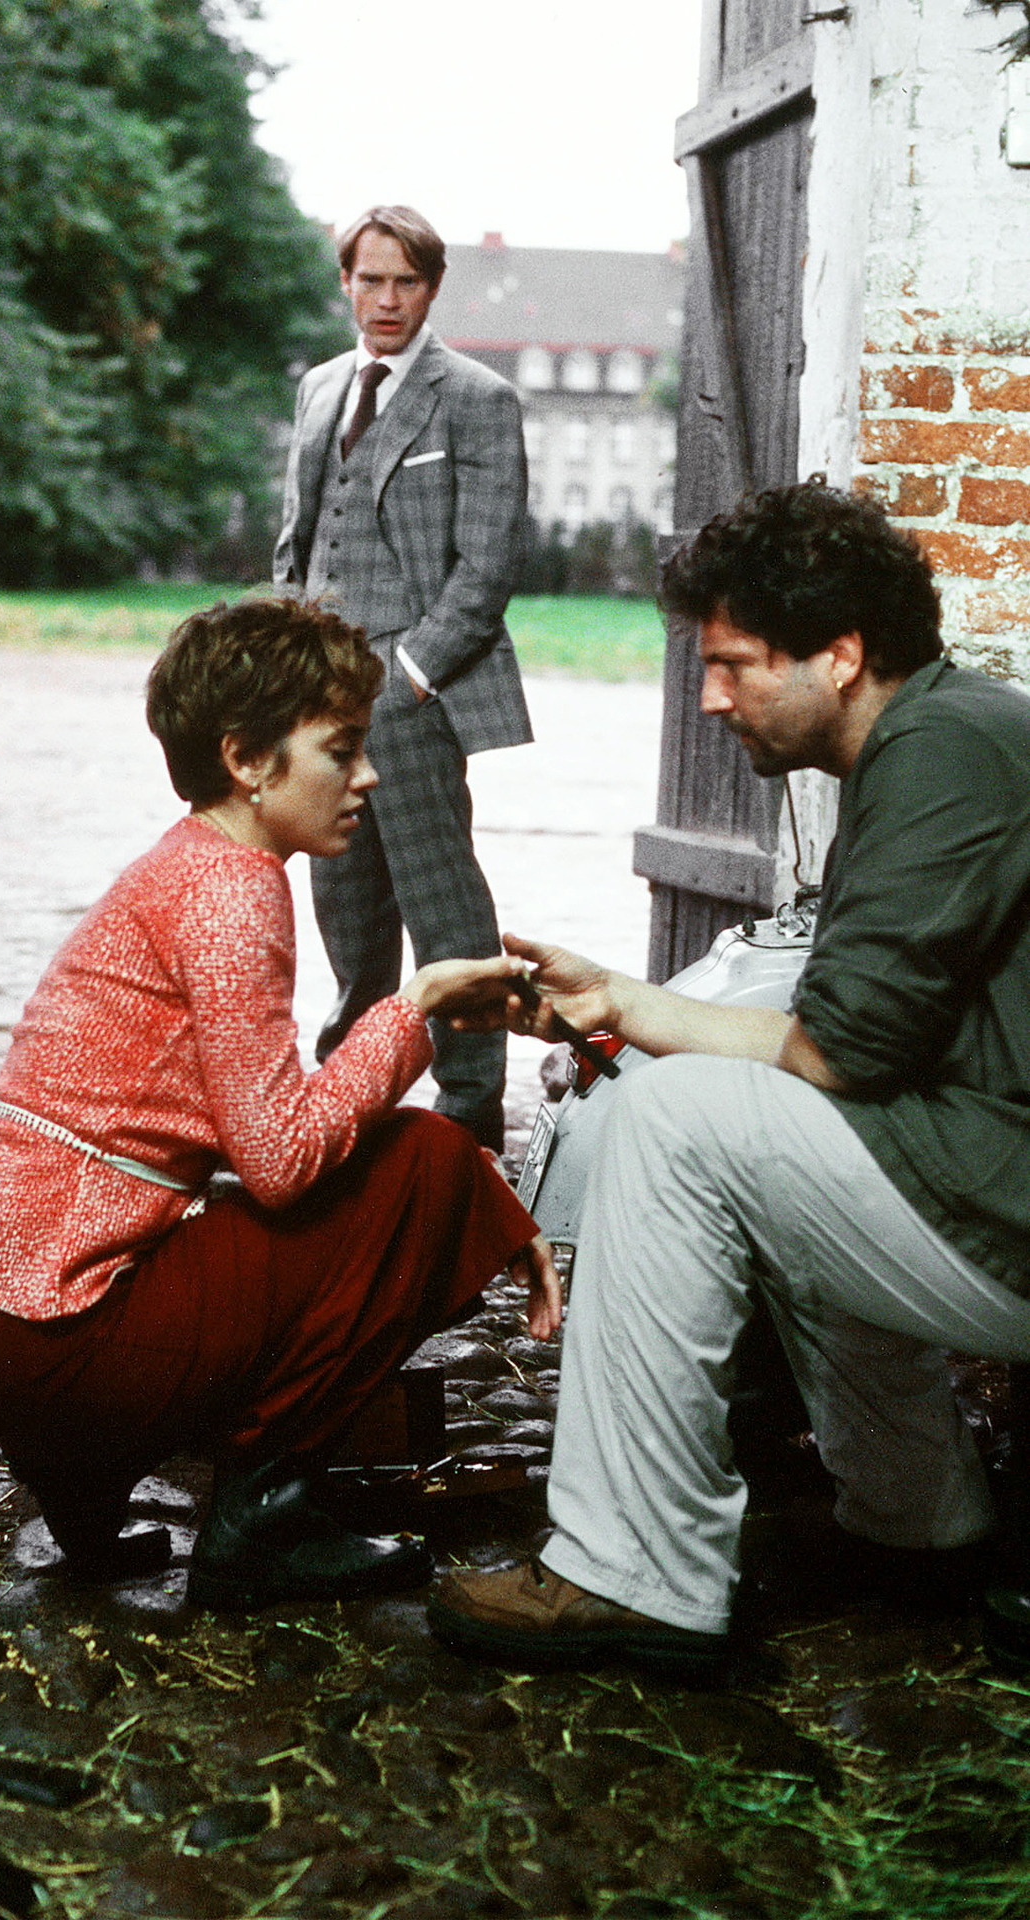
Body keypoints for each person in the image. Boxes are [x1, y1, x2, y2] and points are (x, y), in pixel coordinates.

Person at [428, 480, 1030, 1679]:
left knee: (674, 1122)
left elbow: (840, 1051)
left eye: (736, 664)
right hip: (990, 1159)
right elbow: (854, 1049)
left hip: (1008, 1191)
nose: (710, 697)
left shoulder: (943, 751)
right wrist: (617, 1001)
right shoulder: (937, 734)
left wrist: (635, 1018)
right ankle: (916, 1525)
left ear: (842, 656)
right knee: (775, 1136)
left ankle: (632, 1571)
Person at [0, 595, 561, 1614]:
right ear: (249, 761)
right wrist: (414, 1007)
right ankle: (262, 1518)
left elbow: (239, 1126)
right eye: (341, 749)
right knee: (425, 1159)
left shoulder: (185, 865)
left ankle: (84, 1489)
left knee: (419, 1160)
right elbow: (279, 1161)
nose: (369, 777)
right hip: (57, 1341)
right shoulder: (233, 892)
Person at [274, 205, 531, 1153]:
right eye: (369, 279)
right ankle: (352, 1086)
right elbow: (297, 541)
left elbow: (491, 561)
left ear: (431, 289)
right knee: (344, 901)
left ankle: (469, 1109)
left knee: (440, 897)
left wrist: (414, 672)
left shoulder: (474, 398)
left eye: (406, 283)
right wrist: (289, 665)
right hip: (319, 696)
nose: (386, 300)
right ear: (345, 281)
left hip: (414, 687)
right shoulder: (319, 388)